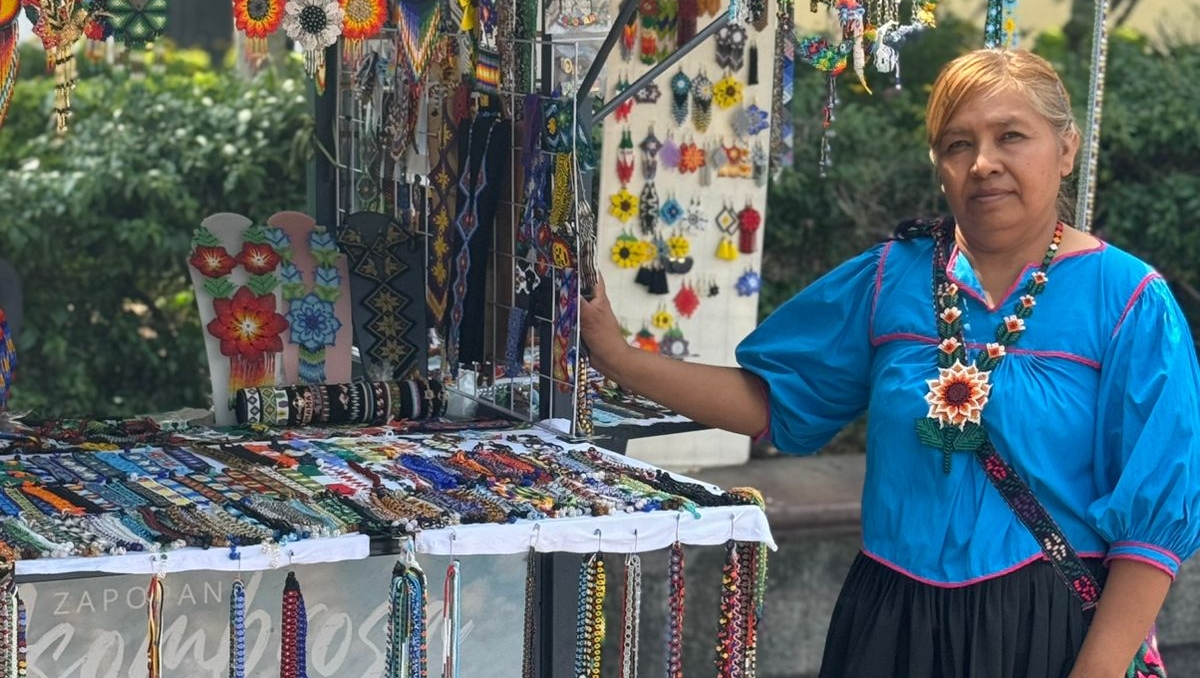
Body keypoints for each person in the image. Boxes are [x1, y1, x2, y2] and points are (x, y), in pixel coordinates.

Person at [581, 48, 1200, 677]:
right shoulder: (890, 279)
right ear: (939, 167)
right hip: (889, 621)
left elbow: (1156, 524)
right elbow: (775, 402)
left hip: (1045, 629)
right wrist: (617, 355)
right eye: (958, 144)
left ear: (1065, 149)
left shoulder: (1126, 301)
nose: (984, 163)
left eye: (1011, 136)